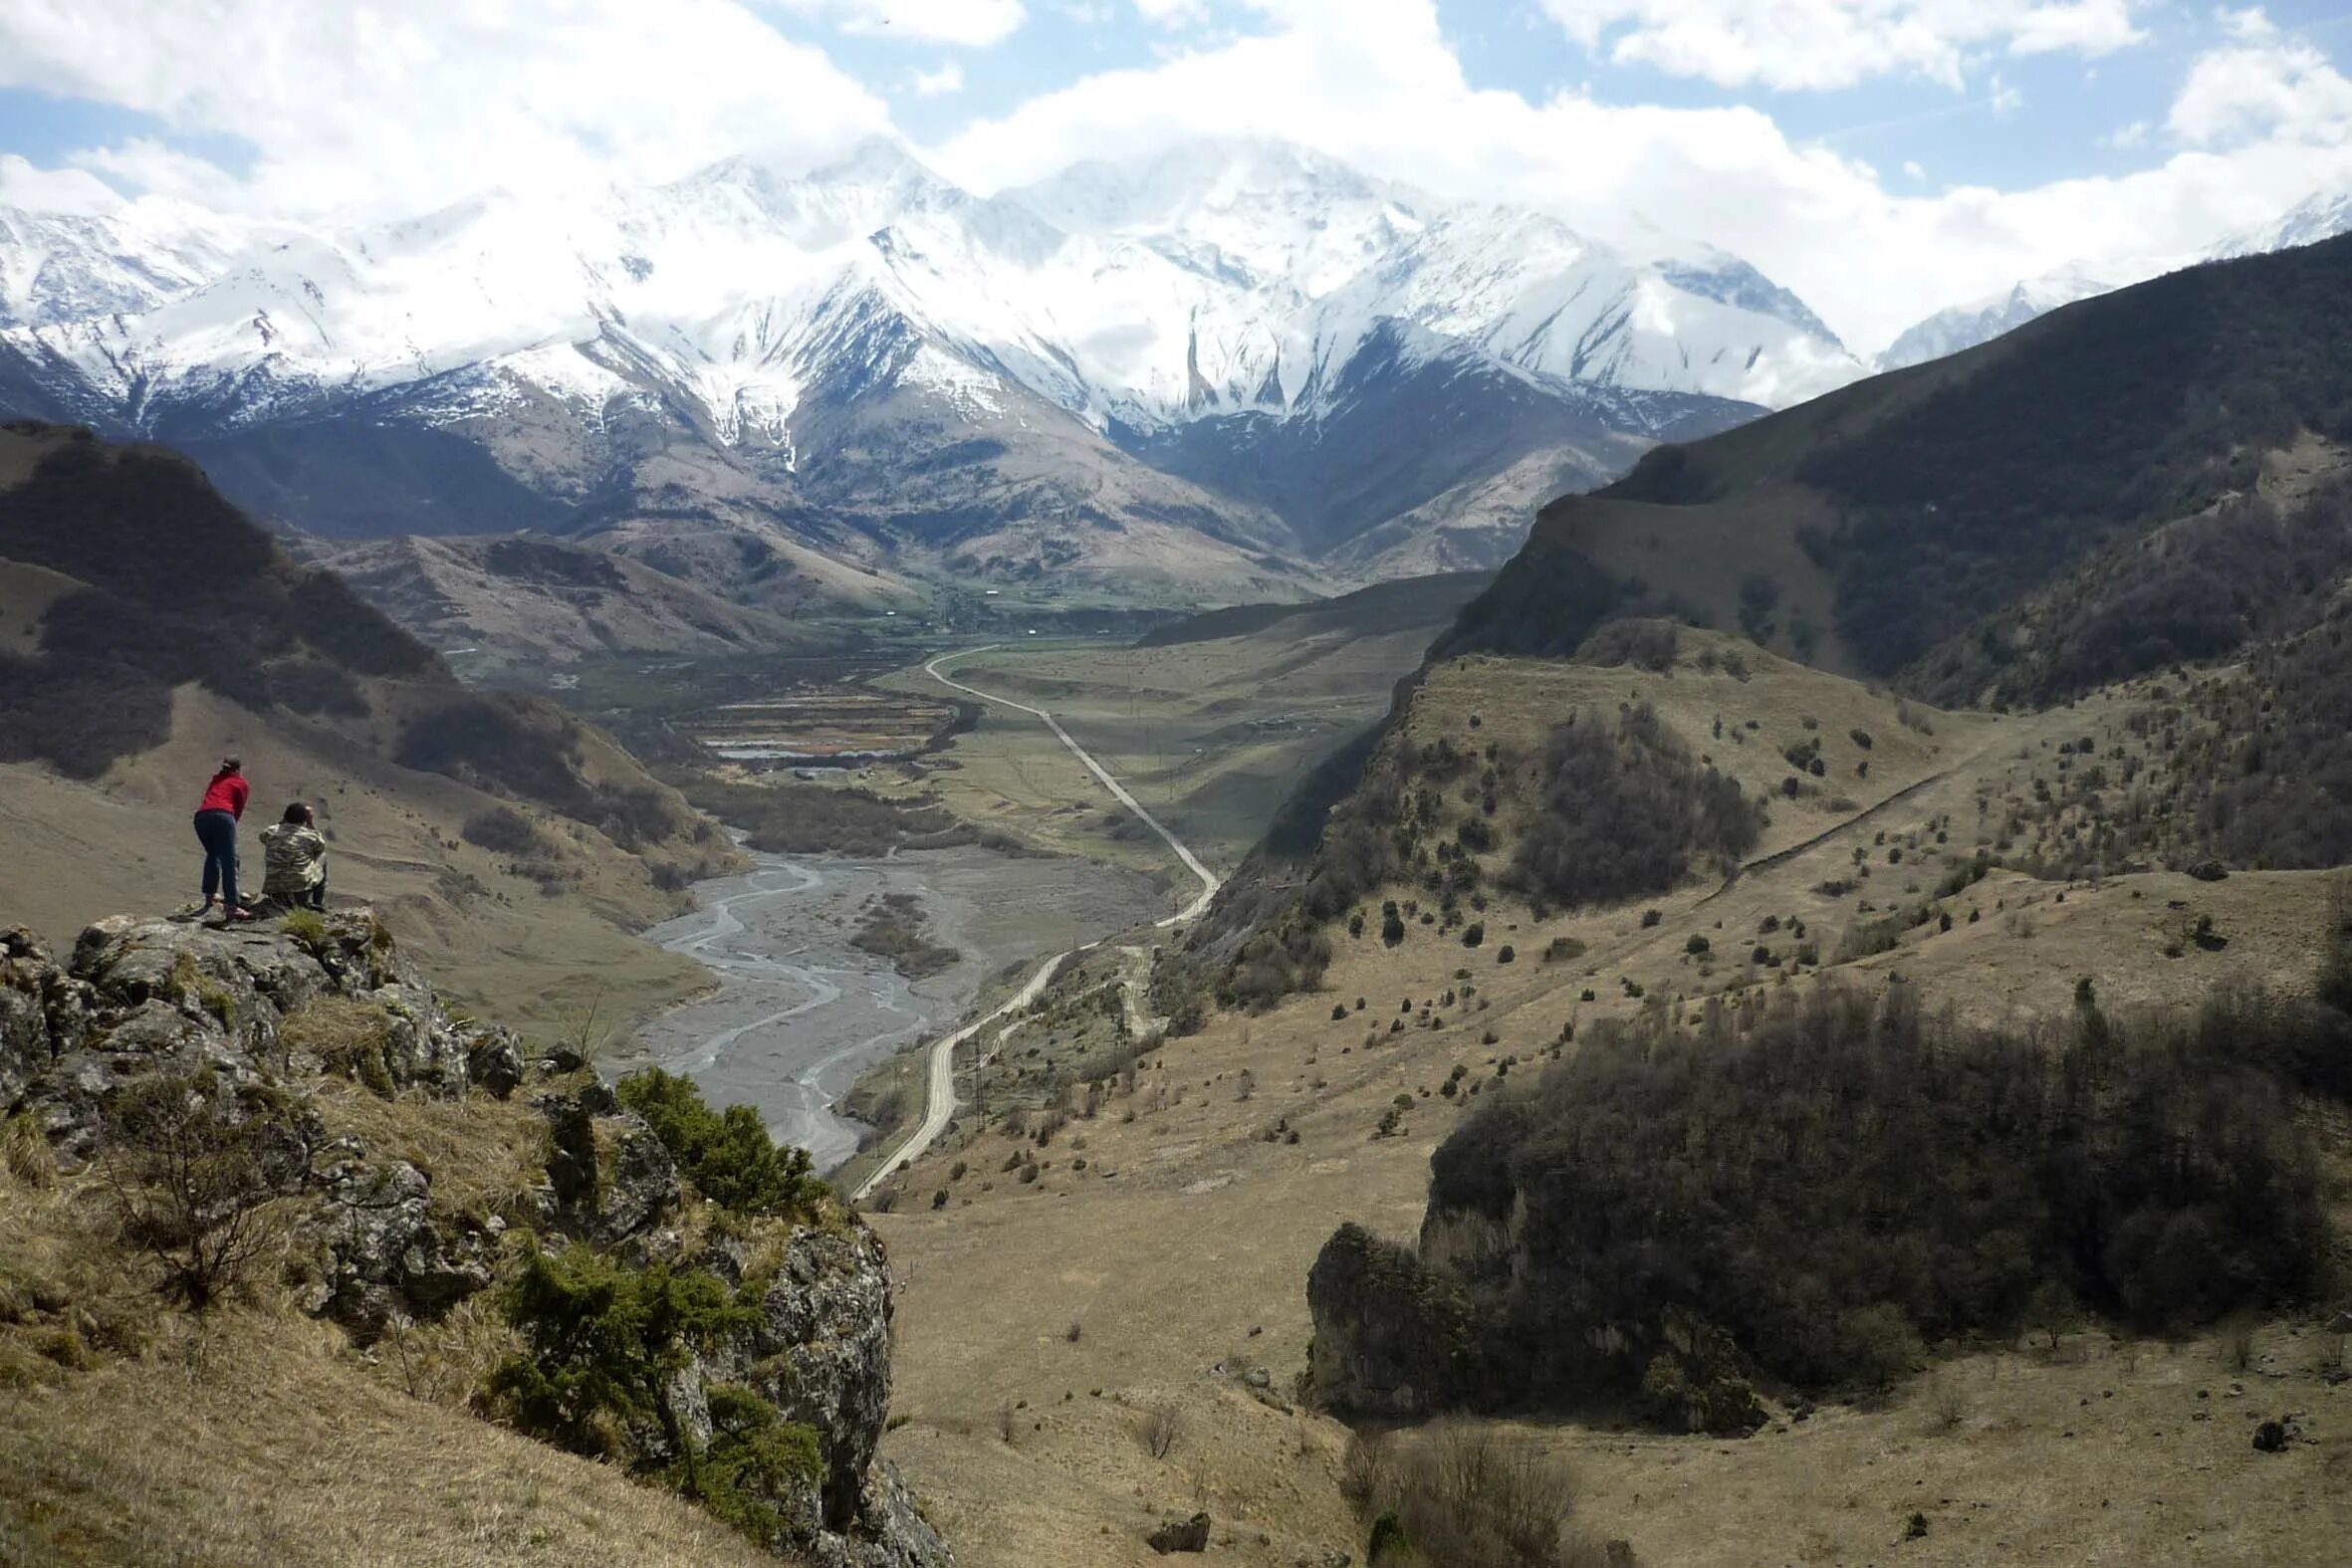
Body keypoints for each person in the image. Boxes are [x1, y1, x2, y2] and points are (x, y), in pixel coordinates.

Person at [190, 757, 253, 923]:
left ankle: (210, 897)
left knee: (213, 854)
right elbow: (237, 809)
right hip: (223, 816)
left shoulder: (216, 780)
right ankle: (232, 906)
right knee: (229, 860)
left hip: (201, 817)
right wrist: (230, 827)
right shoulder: (240, 783)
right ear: (238, 769)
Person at [259, 801, 329, 912]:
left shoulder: (270, 832)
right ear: (304, 819)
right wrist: (310, 822)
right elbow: (321, 846)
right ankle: (317, 902)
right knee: (322, 855)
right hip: (299, 892)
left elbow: (262, 837)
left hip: (273, 890)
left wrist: (284, 821)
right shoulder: (310, 835)